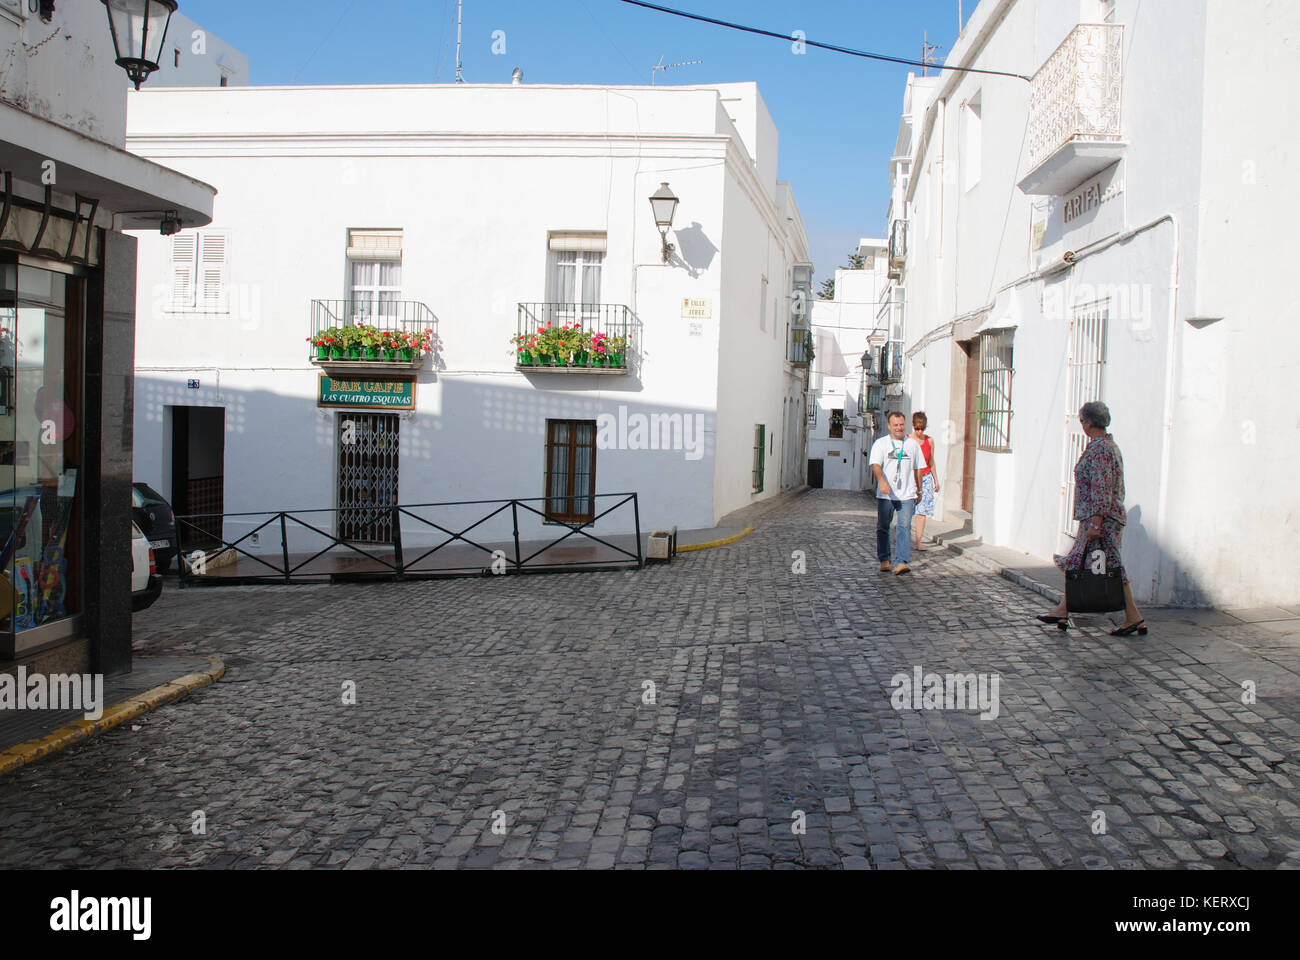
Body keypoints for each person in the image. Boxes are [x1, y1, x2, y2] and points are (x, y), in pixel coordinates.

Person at [1038, 401, 1146, 635]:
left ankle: (1131, 615)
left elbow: (1101, 487)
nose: (1082, 425)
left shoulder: (1099, 449)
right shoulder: (1109, 446)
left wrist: (1096, 521)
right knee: (1086, 563)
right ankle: (1064, 611)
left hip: (1101, 519)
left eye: (1082, 420)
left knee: (1100, 566)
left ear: (1088, 422)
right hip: (1103, 517)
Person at [869, 411, 926, 575]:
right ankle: (885, 559)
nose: (899, 428)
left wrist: (919, 489)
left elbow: (918, 469)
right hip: (886, 494)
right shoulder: (881, 444)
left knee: (904, 526)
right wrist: (881, 481)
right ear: (889, 426)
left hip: (907, 494)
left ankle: (901, 561)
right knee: (883, 526)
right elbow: (875, 465)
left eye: (901, 424)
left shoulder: (912, 445)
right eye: (895, 425)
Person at [910, 412, 940, 550]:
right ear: (913, 426)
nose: (920, 431)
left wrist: (936, 480)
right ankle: (901, 534)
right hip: (910, 477)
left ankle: (918, 541)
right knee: (907, 509)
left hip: (926, 477)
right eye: (917, 428)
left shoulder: (929, 441)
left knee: (921, 513)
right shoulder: (907, 440)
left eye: (922, 428)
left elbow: (931, 461)